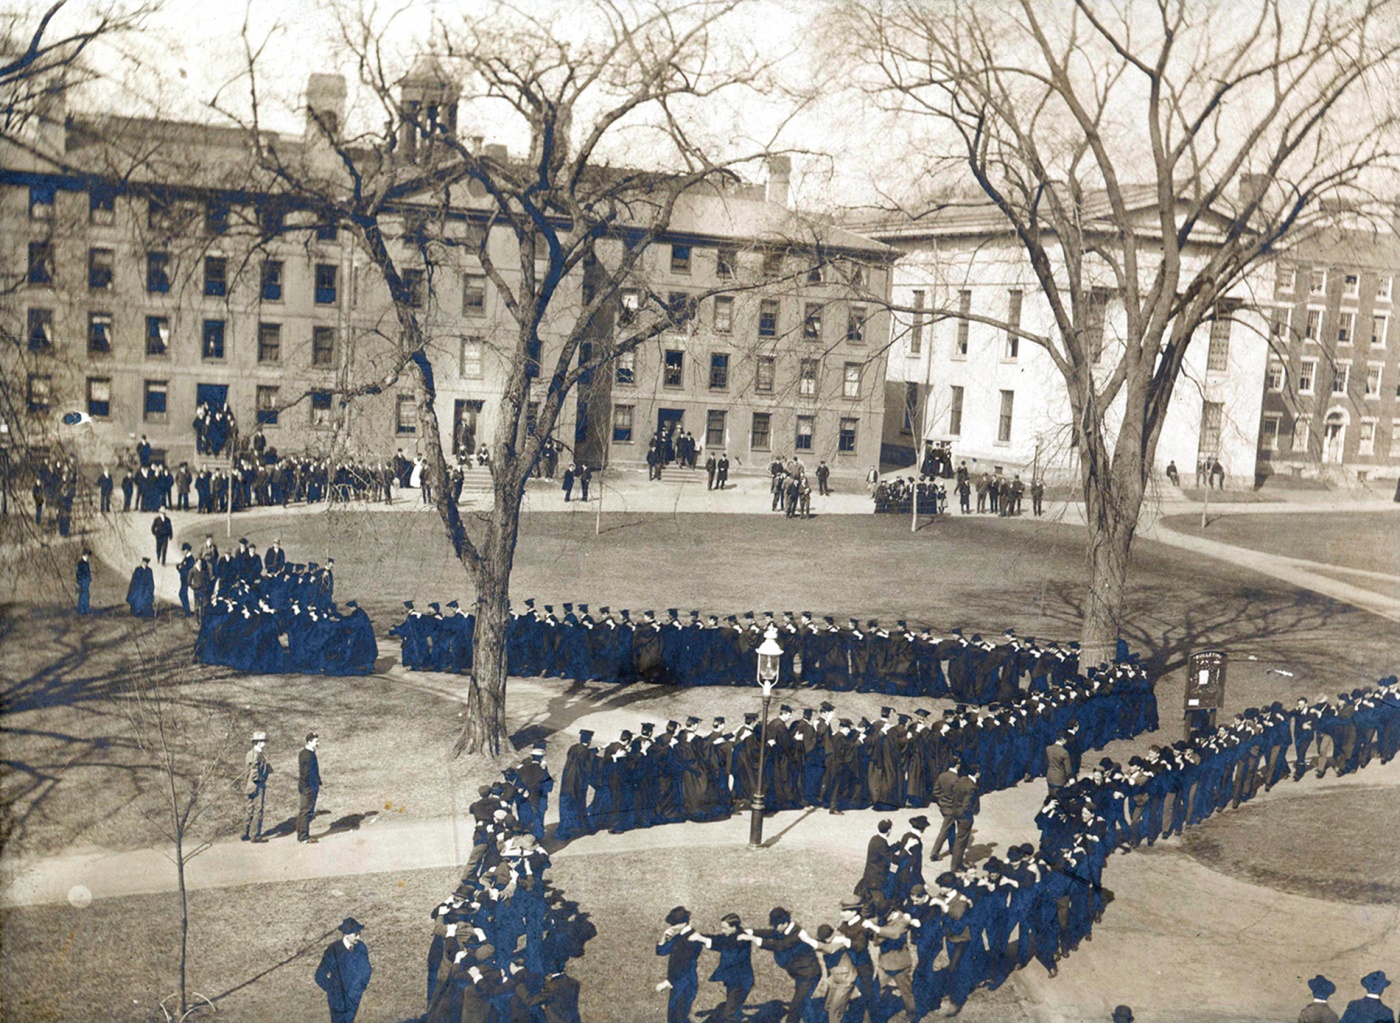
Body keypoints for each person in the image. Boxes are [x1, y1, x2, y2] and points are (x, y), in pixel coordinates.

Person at [697, 914, 753, 1023]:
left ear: (734, 927)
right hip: (734, 981)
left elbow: (725, 944)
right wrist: (699, 936)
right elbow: (718, 939)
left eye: (725, 928)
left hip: (741, 982)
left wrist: (702, 939)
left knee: (729, 1015)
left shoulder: (742, 938)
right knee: (733, 1011)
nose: (723, 931)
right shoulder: (730, 935)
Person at [316, 917, 372, 1023]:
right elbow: (319, 976)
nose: (358, 937)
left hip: (354, 998)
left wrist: (360, 988)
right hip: (337, 1001)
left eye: (359, 933)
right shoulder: (333, 950)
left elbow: (366, 970)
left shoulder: (361, 948)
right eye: (356, 934)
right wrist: (333, 990)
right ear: (346, 934)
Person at [656, 906, 702, 1023]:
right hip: (677, 983)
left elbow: (685, 965)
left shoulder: (692, 939)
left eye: (673, 924)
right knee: (673, 1017)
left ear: (683, 923)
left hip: (686, 983)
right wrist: (664, 938)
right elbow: (661, 951)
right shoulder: (679, 937)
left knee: (679, 1017)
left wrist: (668, 981)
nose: (671, 927)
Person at [242, 731, 272, 842]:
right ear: (258, 742)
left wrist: (246, 783)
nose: (265, 743)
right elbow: (255, 772)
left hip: (249, 785)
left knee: (249, 808)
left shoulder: (250, 753)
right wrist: (261, 779)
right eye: (263, 741)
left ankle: (245, 833)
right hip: (257, 784)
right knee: (258, 809)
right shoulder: (257, 755)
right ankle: (255, 835)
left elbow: (247, 771)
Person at [298, 731, 322, 844]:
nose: (318, 743)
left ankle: (303, 835)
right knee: (306, 811)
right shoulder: (307, 754)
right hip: (308, 787)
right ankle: (303, 837)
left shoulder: (307, 752)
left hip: (310, 786)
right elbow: (306, 773)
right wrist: (309, 787)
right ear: (309, 741)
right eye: (316, 741)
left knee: (306, 811)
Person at [76, 549, 92, 615]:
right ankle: (83, 611)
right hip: (82, 581)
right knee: (83, 596)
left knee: (85, 595)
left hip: (85, 581)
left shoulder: (86, 563)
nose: (88, 556)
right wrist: (80, 581)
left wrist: (89, 579)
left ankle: (84, 611)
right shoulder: (81, 563)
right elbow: (78, 574)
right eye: (87, 555)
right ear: (84, 555)